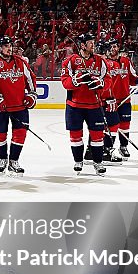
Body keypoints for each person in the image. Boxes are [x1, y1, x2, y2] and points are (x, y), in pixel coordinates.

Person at [0, 36, 37, 177]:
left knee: (20, 135)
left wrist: (32, 94)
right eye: (5, 46)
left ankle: (14, 161)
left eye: (10, 45)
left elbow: (31, 79)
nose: (9, 48)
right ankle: (3, 159)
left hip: (19, 107)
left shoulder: (21, 62)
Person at [59, 33, 109, 176]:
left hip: (94, 105)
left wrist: (100, 84)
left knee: (98, 135)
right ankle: (78, 161)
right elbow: (65, 82)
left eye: (93, 42)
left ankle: (98, 162)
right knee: (75, 136)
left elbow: (108, 80)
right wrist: (77, 80)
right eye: (90, 43)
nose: (93, 45)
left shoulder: (100, 61)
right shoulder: (70, 61)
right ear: (82, 45)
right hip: (74, 106)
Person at [101, 38, 138, 162]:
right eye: (111, 47)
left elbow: (132, 78)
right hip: (110, 100)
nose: (114, 49)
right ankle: (107, 149)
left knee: (125, 125)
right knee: (111, 126)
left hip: (125, 99)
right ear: (107, 49)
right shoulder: (103, 63)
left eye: (116, 46)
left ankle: (123, 147)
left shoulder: (126, 61)